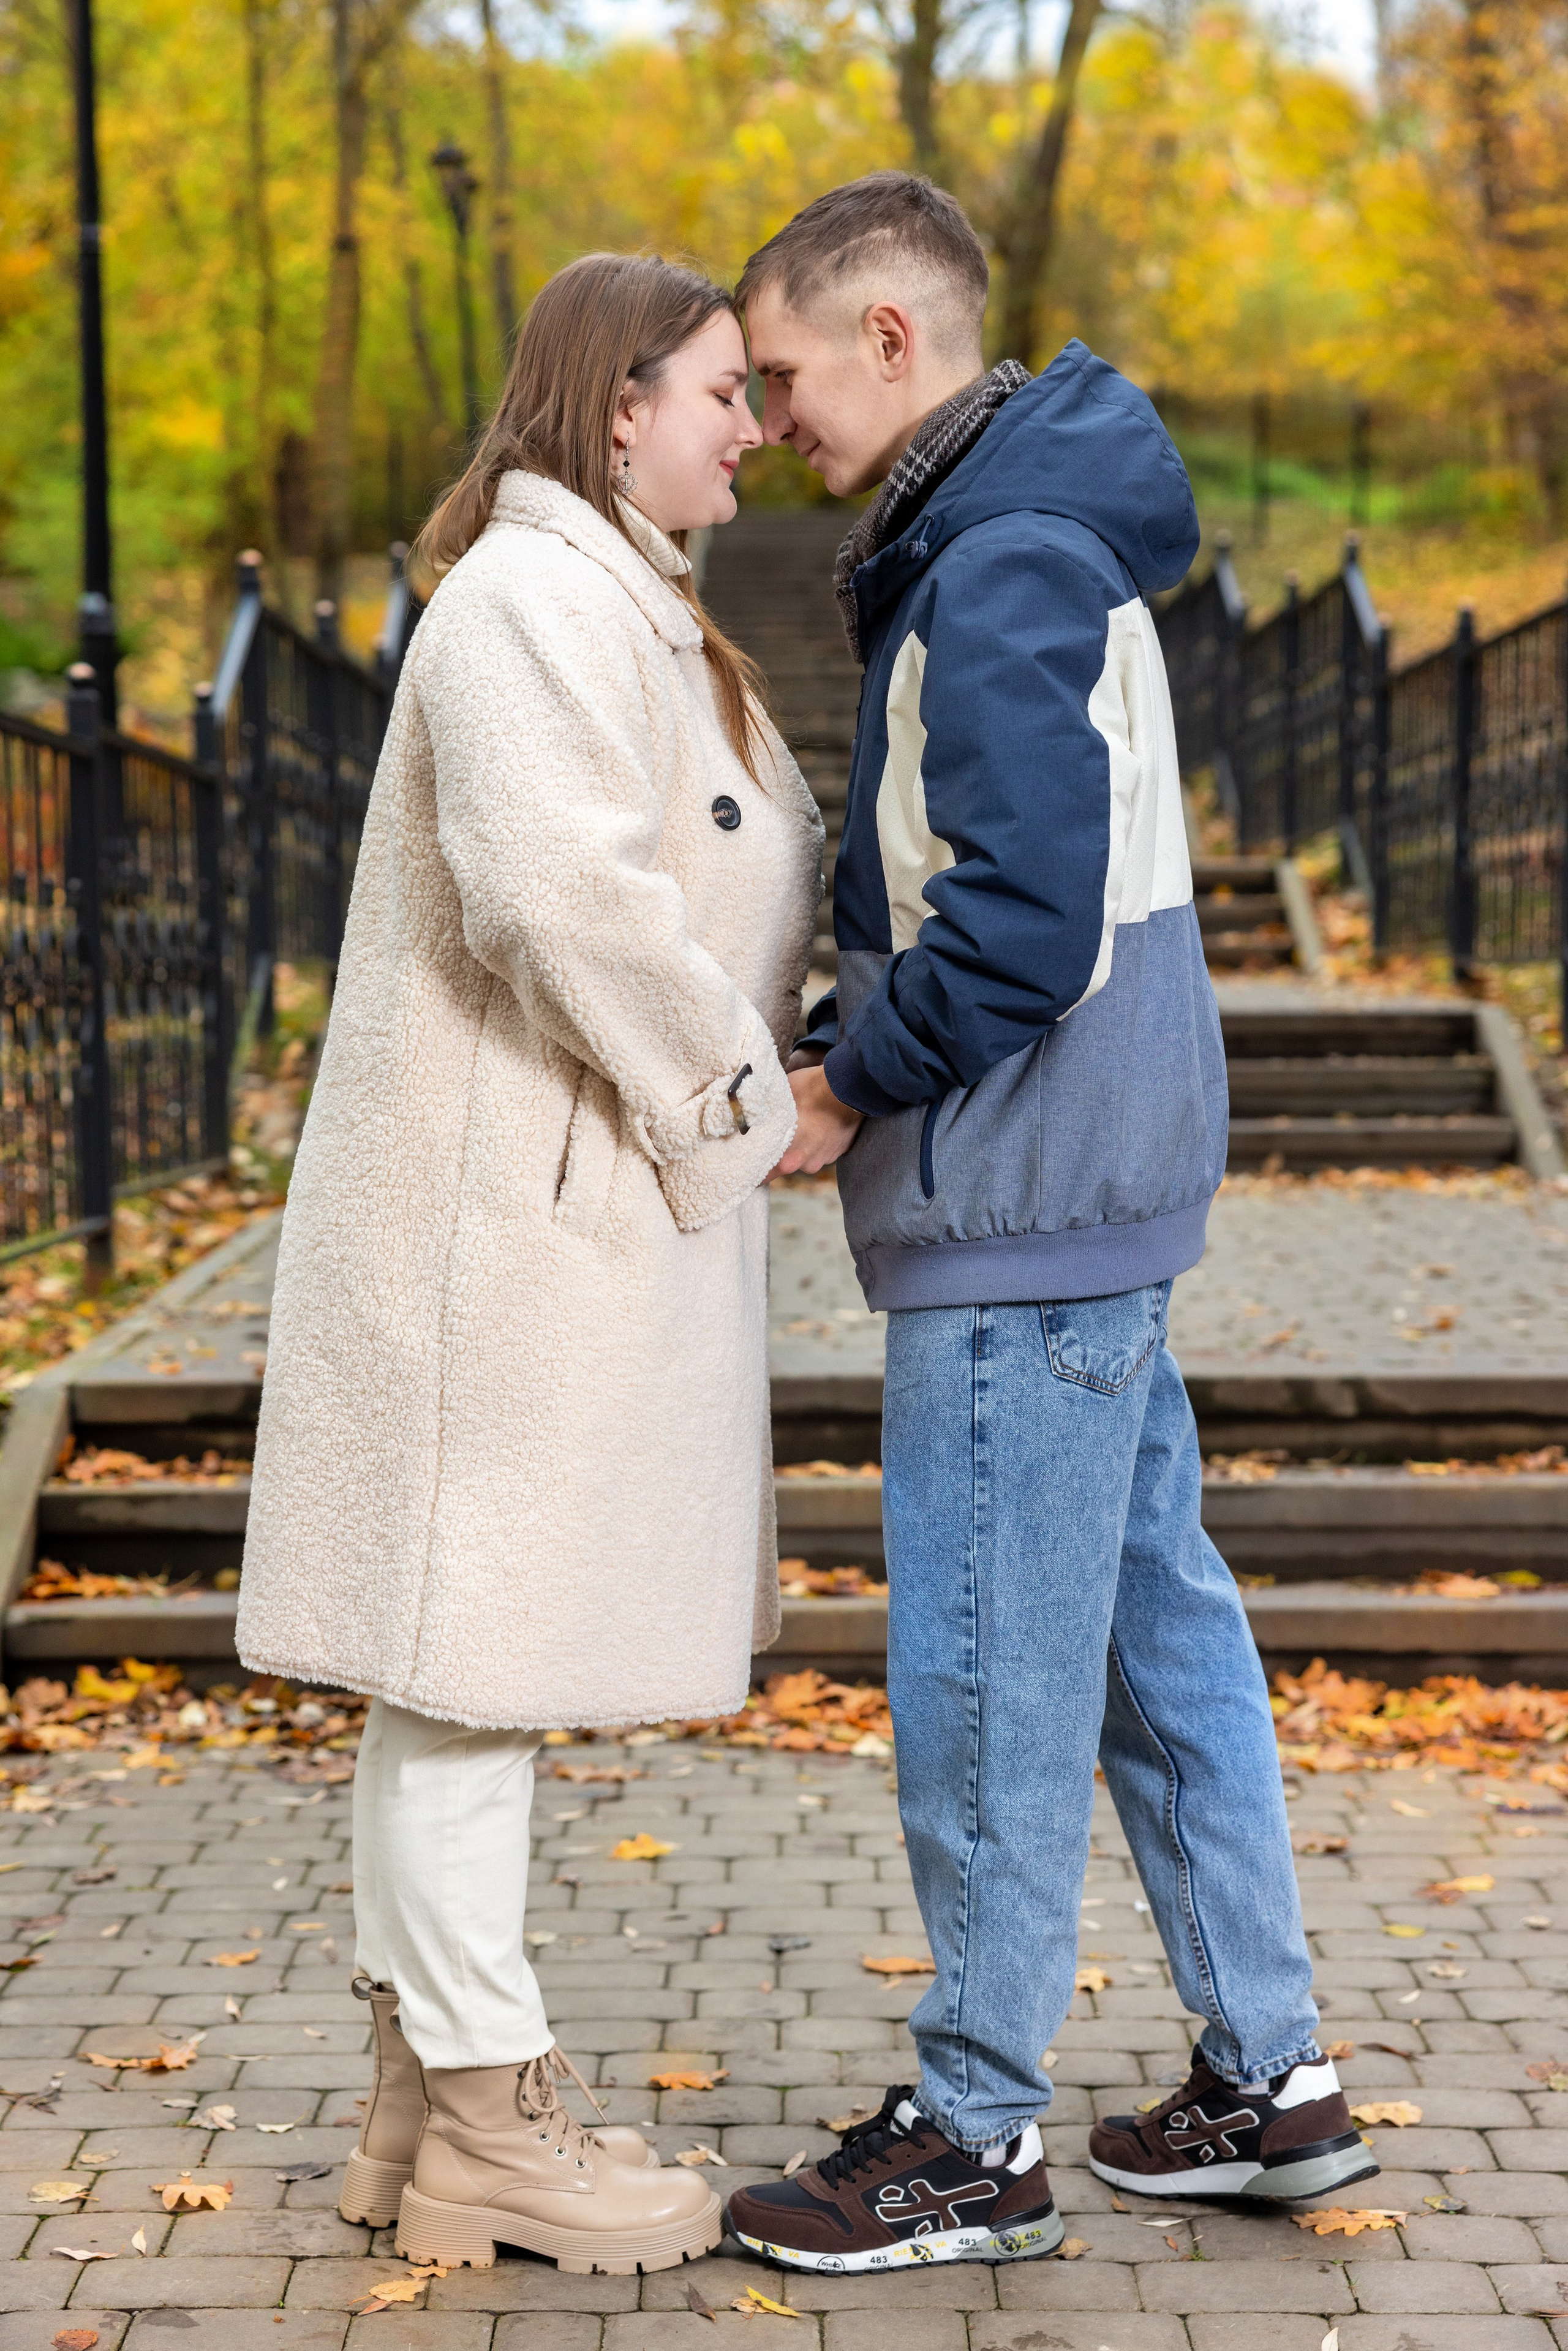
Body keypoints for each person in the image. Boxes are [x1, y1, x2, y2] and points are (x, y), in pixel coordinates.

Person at [723, 173, 1374, 2276]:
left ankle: (977, 2131)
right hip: (1097, 1189)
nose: (771, 415)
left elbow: (1011, 923)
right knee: (1153, 1641)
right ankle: (1269, 2080)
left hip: (1020, 1196)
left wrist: (843, 1073)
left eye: (790, 373)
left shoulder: (996, 563)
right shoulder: (1041, 542)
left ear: (894, 344)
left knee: (995, 1668)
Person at [235, 252, 824, 2276]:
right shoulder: (531, 601)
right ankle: (491, 2114)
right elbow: (561, 895)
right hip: (496, 1228)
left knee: (463, 1681)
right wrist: (748, 1106)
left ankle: (430, 2109)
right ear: (616, 405)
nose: (752, 424)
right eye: (723, 389)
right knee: (466, 1673)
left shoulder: (616, 605)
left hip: (556, 1214)